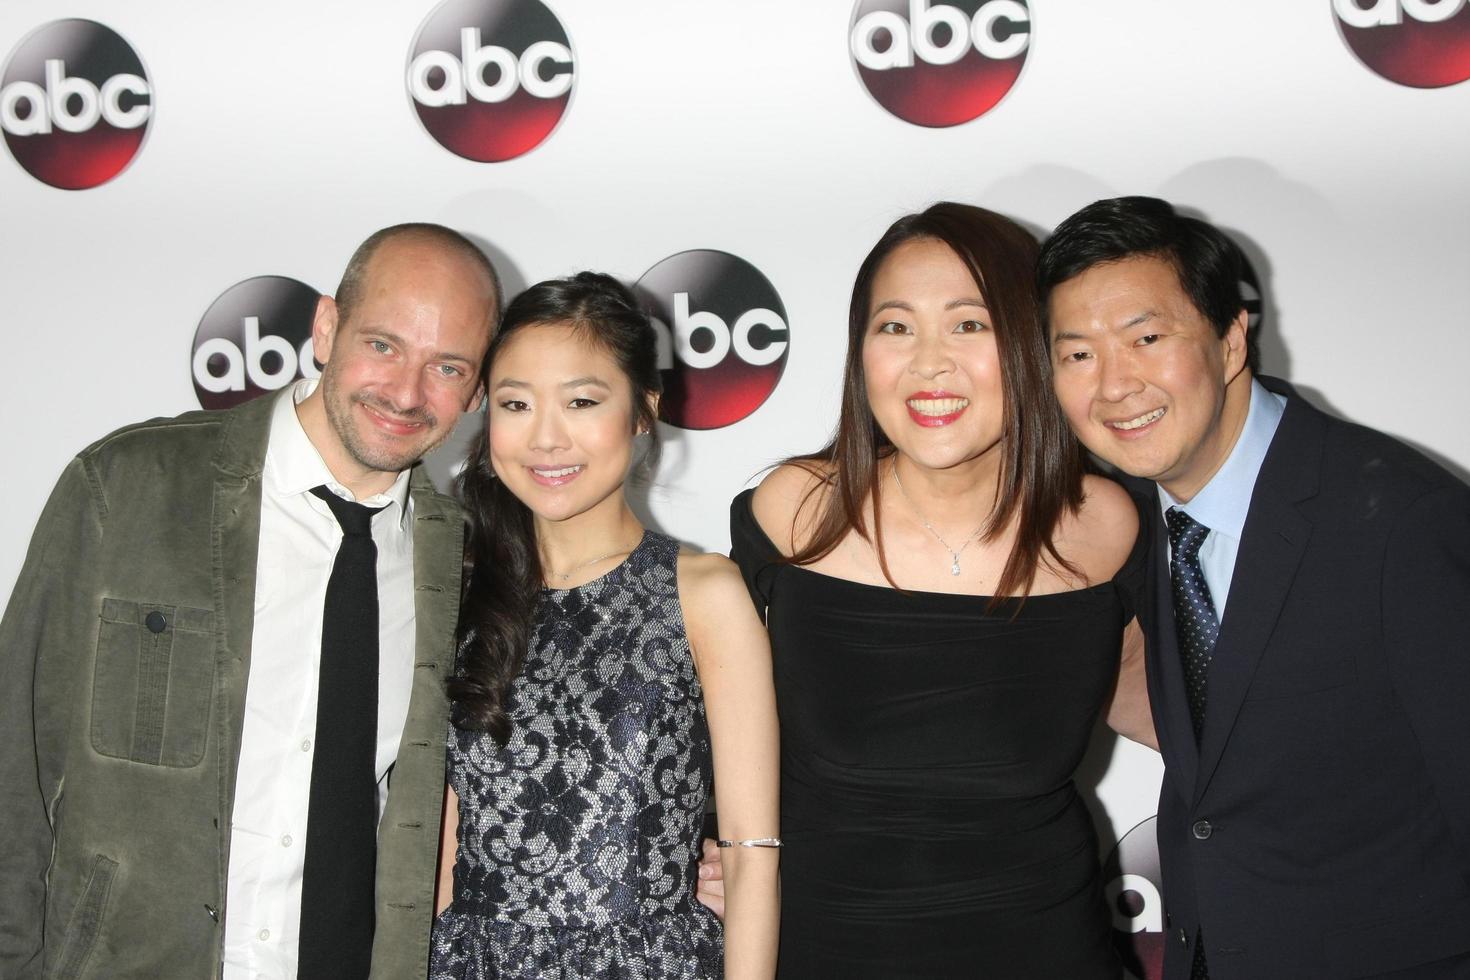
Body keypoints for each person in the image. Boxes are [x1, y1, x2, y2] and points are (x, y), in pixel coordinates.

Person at [0, 223, 500, 979]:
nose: (406, 392)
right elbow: (14, 765)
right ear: (327, 328)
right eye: (384, 345)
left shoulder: (462, 562)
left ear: (478, 388)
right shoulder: (129, 487)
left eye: (448, 366)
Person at [1039, 196, 1470, 979]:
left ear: (1232, 338)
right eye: (1077, 355)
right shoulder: (1125, 522)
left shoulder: (1402, 520)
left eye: (1146, 338)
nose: (1114, 386)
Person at [726, 202, 1154, 977]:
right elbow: (705, 713)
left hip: (1045, 946)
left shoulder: (1104, 525)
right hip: (827, 946)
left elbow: (1155, 701)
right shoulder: (794, 513)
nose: (929, 364)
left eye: (969, 324)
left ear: (1028, 340)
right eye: (895, 327)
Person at [430, 272, 780, 979]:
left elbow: (750, 853)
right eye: (516, 404)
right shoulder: (456, 593)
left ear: (643, 411)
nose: (546, 438)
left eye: (583, 401)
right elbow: (440, 847)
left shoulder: (704, 592)